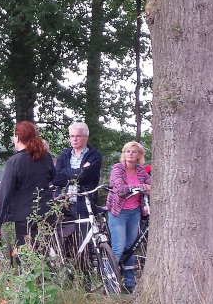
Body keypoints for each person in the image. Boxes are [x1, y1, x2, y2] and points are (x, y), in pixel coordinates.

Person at [0, 121, 56, 247]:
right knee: (43, 252)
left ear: (17, 138)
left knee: (24, 254)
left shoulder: (14, 162)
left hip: (25, 217)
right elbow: (53, 176)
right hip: (46, 212)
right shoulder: (45, 156)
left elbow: (4, 194)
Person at [106, 141, 151, 293]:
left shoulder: (140, 170)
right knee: (118, 248)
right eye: (127, 151)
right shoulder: (118, 169)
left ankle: (130, 282)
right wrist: (144, 188)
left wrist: (148, 189)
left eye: (134, 152)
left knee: (131, 248)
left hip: (134, 212)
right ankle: (109, 283)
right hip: (118, 212)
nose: (130, 154)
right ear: (123, 154)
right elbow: (120, 189)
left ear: (139, 155)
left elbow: (152, 184)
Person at [53, 121, 103, 228]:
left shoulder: (95, 156)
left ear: (86, 138)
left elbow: (84, 176)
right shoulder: (65, 154)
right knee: (62, 238)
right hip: (63, 202)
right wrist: (80, 171)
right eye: (72, 136)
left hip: (84, 203)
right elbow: (55, 178)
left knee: (85, 239)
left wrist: (65, 171)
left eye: (78, 136)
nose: (74, 139)